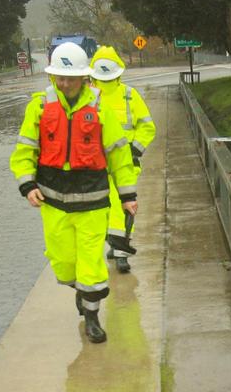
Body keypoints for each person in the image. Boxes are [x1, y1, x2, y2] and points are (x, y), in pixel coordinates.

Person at [10, 42, 139, 344]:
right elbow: (25, 150)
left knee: (91, 262)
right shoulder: (40, 106)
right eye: (59, 77)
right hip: (53, 202)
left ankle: (92, 315)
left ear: (84, 78)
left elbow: (120, 156)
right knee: (64, 262)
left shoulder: (99, 109)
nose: (64, 83)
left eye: (70, 78)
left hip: (93, 202)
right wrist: (27, 184)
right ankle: (81, 292)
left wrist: (128, 196)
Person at [90, 45, 155, 274]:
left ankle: (121, 253)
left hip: (122, 164)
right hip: (96, 164)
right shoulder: (89, 98)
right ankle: (116, 246)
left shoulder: (128, 95)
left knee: (122, 207)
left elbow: (147, 127)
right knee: (108, 208)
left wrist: (132, 153)